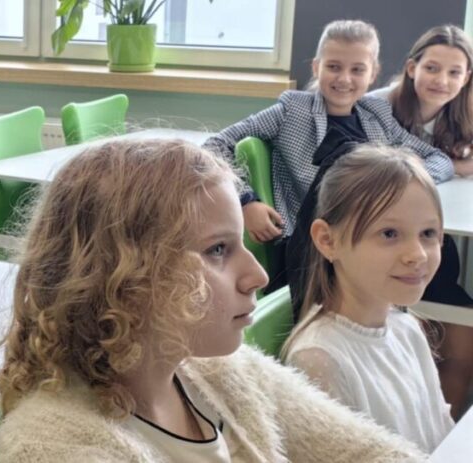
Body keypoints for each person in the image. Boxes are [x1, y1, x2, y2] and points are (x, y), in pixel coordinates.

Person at [0, 138, 425, 462]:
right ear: (123, 274)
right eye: (218, 250)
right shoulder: (52, 446)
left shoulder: (219, 370)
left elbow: (368, 452)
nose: (258, 276)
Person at [202, 19, 454, 294]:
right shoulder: (292, 111)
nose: (344, 79)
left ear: (373, 74)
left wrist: (401, 182)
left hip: (369, 239)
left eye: (357, 69)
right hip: (311, 248)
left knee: (443, 256)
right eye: (333, 67)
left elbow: (439, 160)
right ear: (316, 67)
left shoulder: (377, 116)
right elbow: (215, 146)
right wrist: (247, 201)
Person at [282, 145, 454, 452]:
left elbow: (441, 432)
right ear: (327, 240)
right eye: (389, 234)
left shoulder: (407, 329)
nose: (417, 255)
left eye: (428, 233)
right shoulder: (319, 360)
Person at [370, 24, 473, 418]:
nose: (441, 80)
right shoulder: (377, 108)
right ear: (412, 68)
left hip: (432, 241)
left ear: (466, 78)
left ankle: (443, 433)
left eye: (453, 72)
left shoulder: (461, 114)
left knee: (461, 338)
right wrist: (451, 165)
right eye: (432, 68)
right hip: (384, 242)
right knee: (429, 335)